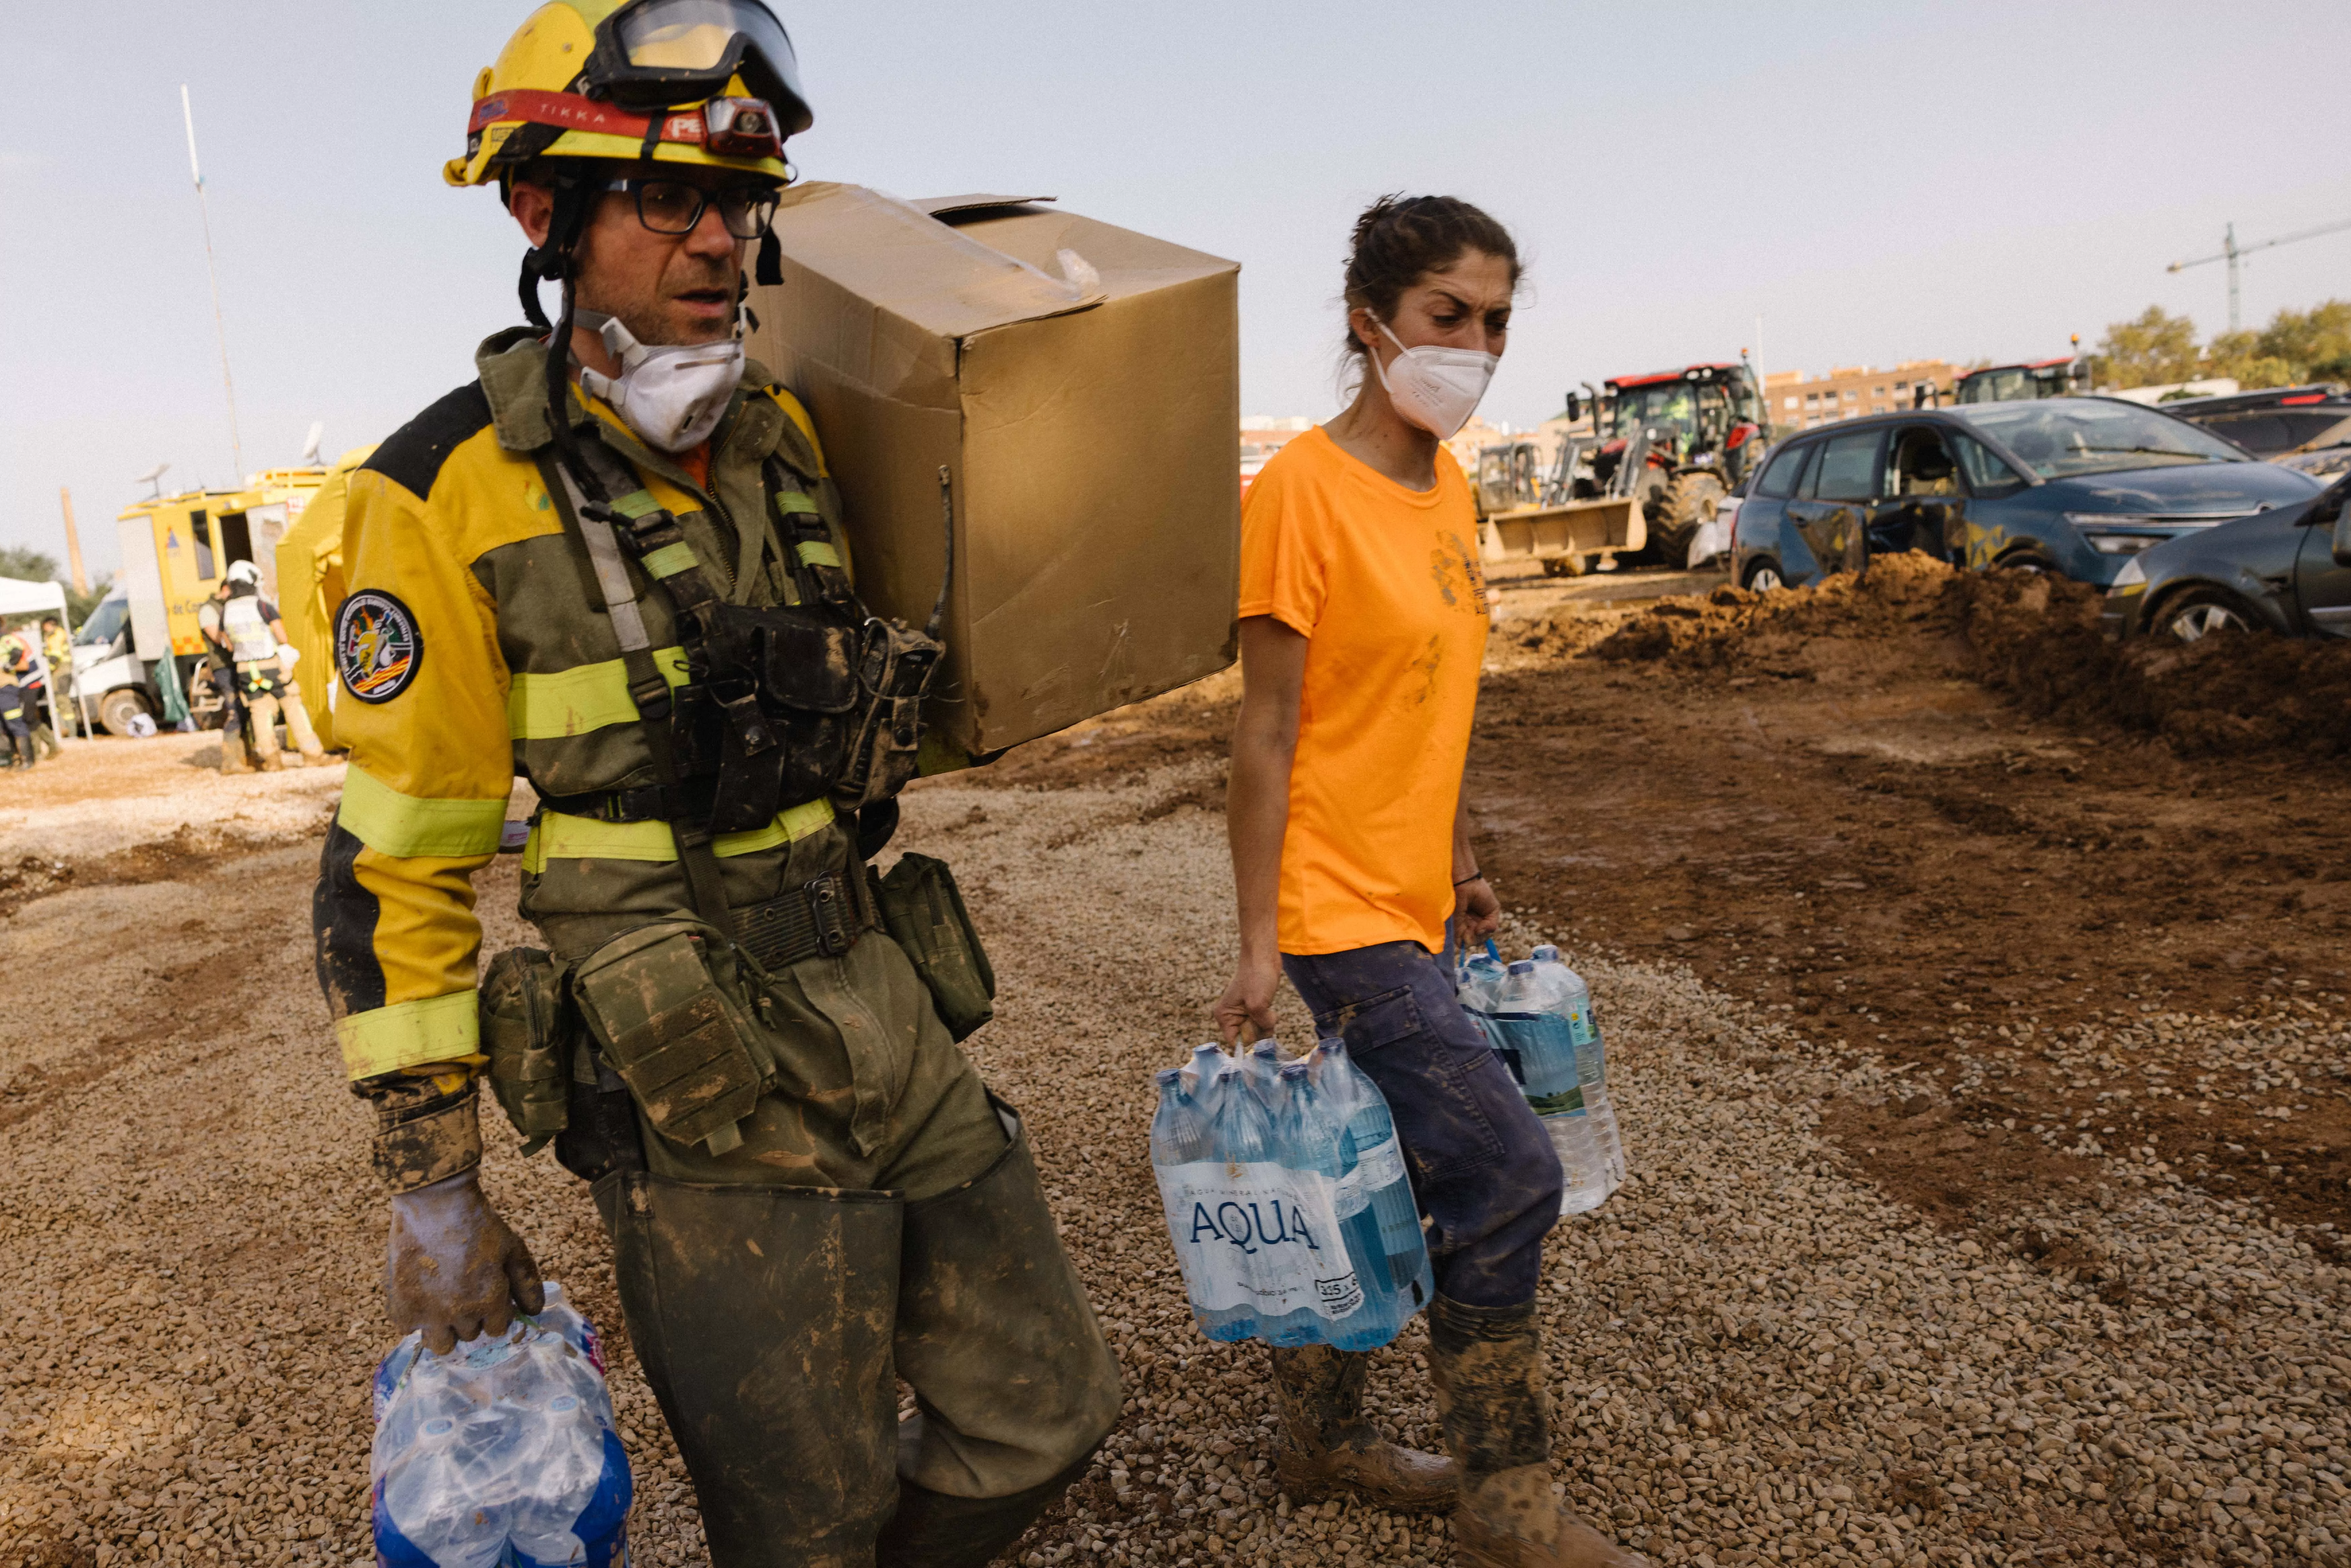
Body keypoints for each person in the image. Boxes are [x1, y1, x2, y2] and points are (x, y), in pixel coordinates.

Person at [313, 5, 1119, 1564]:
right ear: (541, 212)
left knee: (1049, 1402)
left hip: (878, 998)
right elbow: (392, 867)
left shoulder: (791, 435)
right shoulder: (434, 499)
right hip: (692, 1071)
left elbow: (862, 708)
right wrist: (438, 1202)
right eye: (664, 197)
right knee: (800, 1521)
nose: (717, 240)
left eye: (739, 202)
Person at [1214, 196, 1647, 1568]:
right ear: (1369, 323)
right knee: (1509, 1172)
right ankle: (1505, 1512)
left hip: (1410, 901)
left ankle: (1319, 1439)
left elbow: (1430, 696)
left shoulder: (1451, 485)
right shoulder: (1297, 491)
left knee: (1388, 1168)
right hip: (1334, 916)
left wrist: (1459, 861)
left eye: (1495, 320)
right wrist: (1253, 944)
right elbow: (1264, 734)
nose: (1474, 346)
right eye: (1446, 317)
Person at [195, 581, 258, 771]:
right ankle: (231, 762)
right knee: (234, 710)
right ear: (226, 590)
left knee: (245, 710)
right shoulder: (209, 610)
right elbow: (218, 637)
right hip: (224, 667)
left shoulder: (228, 607)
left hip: (239, 664)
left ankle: (247, 757)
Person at [3, 621, 62, 762]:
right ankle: (39, 750)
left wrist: (5, 667)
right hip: (28, 683)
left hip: (32, 682)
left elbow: (23, 666)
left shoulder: (10, 642)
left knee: (28, 717)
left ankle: (51, 746)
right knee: (28, 717)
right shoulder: (11, 640)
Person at [0, 625, 35, 770]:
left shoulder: (6, 639)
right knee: (1, 727)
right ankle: (8, 760)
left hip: (6, 686)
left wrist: (9, 664)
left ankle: (27, 759)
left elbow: (18, 650)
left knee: (14, 721)